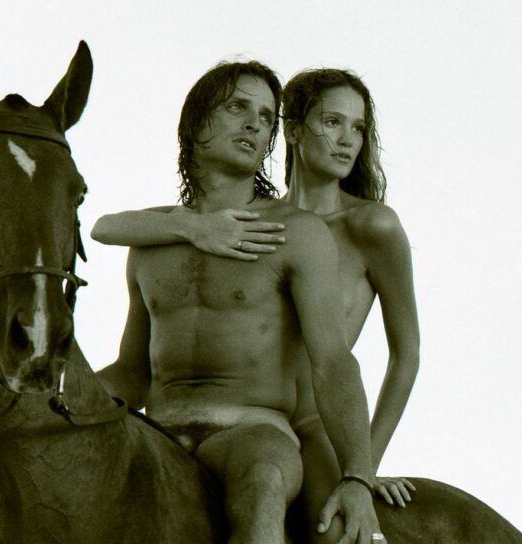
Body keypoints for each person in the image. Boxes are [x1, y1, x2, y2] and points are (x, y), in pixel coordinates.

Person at [92, 61, 385, 543]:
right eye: (237, 108)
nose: (255, 124)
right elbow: (133, 372)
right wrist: (60, 395)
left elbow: (332, 362)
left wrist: (358, 476)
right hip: (158, 433)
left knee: (262, 482)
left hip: (254, 433)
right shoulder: (151, 242)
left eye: (266, 117)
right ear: (196, 123)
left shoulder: (297, 233)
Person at [280, 68, 419, 541]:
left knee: (337, 535)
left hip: (319, 428)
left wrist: (363, 469)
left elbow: (406, 355)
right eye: (332, 122)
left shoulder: (372, 228)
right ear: (293, 130)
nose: (347, 140)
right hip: (249, 415)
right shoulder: (260, 220)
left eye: (358, 128)